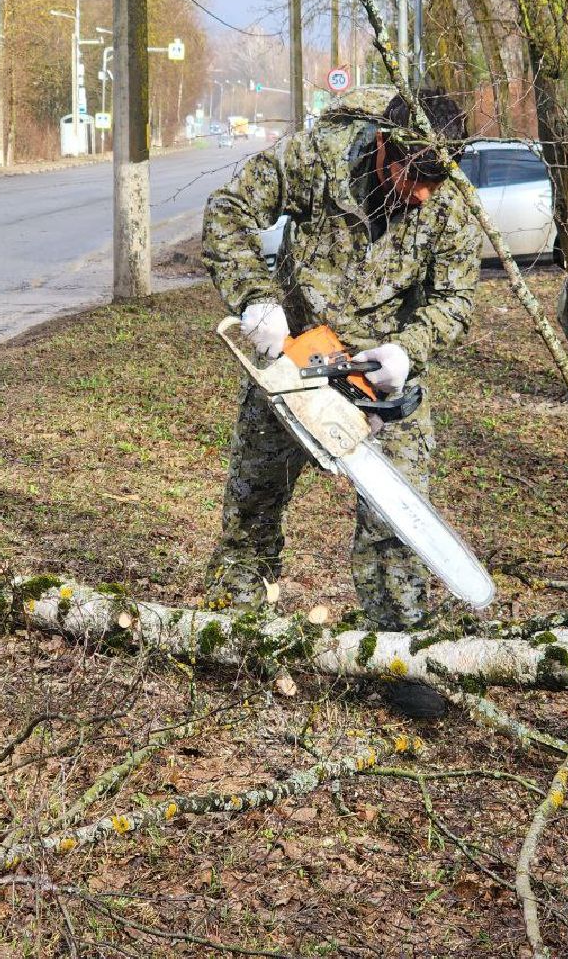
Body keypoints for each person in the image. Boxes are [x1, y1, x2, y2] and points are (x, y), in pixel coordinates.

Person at [201, 85, 480, 717]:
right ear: (384, 145)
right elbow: (228, 211)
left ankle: (399, 659)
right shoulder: (318, 158)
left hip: (382, 377)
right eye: (413, 176)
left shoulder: (452, 204)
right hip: (294, 357)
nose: (422, 193)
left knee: (396, 525)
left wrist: (410, 348)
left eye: (435, 179)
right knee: (253, 502)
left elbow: (456, 299)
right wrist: (254, 299)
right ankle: (232, 633)